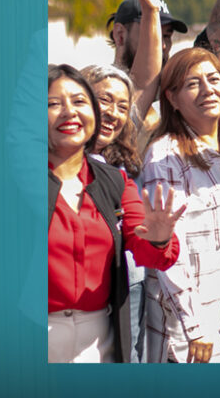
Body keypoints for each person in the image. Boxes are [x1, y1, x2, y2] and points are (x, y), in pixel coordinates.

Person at [47, 64, 184, 363]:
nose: (70, 112)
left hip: (99, 340)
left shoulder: (115, 181)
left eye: (79, 101)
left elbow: (148, 251)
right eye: (54, 103)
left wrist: (159, 239)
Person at [139, 48, 220, 363]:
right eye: (193, 83)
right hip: (189, 328)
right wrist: (193, 327)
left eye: (214, 79)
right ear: (172, 99)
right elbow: (168, 250)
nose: (208, 89)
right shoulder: (166, 156)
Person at [80, 64, 146, 361]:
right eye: (104, 100)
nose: (113, 113)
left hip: (125, 288)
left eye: (123, 106)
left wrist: (156, 239)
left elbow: (139, 234)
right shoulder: (52, 164)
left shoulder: (121, 170)